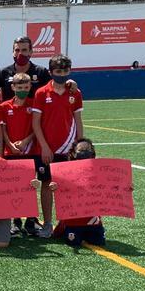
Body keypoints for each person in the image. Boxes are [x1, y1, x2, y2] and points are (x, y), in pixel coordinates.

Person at [31, 55, 85, 237]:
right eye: (58, 71)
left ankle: (66, 223)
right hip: (46, 149)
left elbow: (78, 120)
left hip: (68, 149)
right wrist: (44, 147)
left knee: (67, 186)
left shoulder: (75, 93)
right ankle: (47, 224)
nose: (62, 74)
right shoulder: (41, 93)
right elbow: (36, 124)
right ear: (50, 72)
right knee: (46, 184)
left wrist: (80, 146)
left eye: (65, 71)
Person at [48, 138, 115, 247]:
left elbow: (111, 187)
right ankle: (64, 227)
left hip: (93, 220)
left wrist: (125, 188)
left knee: (100, 243)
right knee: (73, 243)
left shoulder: (99, 170)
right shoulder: (65, 170)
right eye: (81, 150)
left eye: (87, 149)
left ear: (92, 151)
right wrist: (55, 187)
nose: (84, 152)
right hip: (73, 220)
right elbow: (61, 190)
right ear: (74, 153)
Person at [0, 73, 41, 236]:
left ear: (30, 87)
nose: (22, 90)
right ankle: (15, 221)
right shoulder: (4, 106)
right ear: (13, 87)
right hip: (11, 153)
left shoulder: (34, 105)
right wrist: (10, 145)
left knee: (30, 186)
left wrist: (24, 142)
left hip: (30, 152)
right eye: (19, 87)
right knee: (14, 188)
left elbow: (37, 128)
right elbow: (3, 130)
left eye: (25, 87)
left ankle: (30, 220)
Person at [0, 37, 54, 101]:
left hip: (34, 110)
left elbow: (53, 93)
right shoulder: (3, 73)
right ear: (13, 52)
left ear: (31, 52)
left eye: (24, 50)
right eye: (17, 50)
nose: (20, 53)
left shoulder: (41, 72)